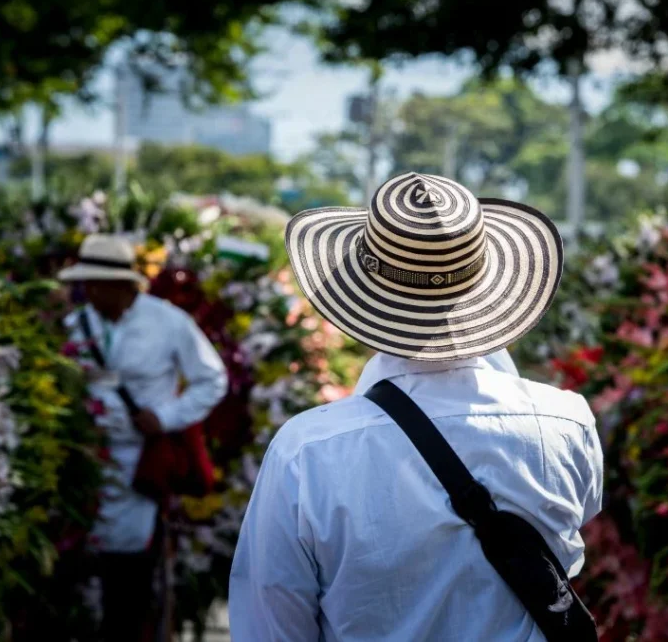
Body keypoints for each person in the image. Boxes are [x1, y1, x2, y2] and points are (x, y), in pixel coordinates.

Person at [230, 172, 604, 641]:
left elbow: (270, 622)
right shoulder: (567, 423)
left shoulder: (307, 451)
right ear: (488, 286)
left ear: (365, 294)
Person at [58, 234, 228, 642]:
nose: (91, 293)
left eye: (99, 285)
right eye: (88, 284)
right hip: (84, 462)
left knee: (128, 564)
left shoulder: (168, 323)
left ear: (124, 286)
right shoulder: (76, 325)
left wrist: (166, 417)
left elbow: (212, 379)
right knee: (81, 562)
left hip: (140, 461)